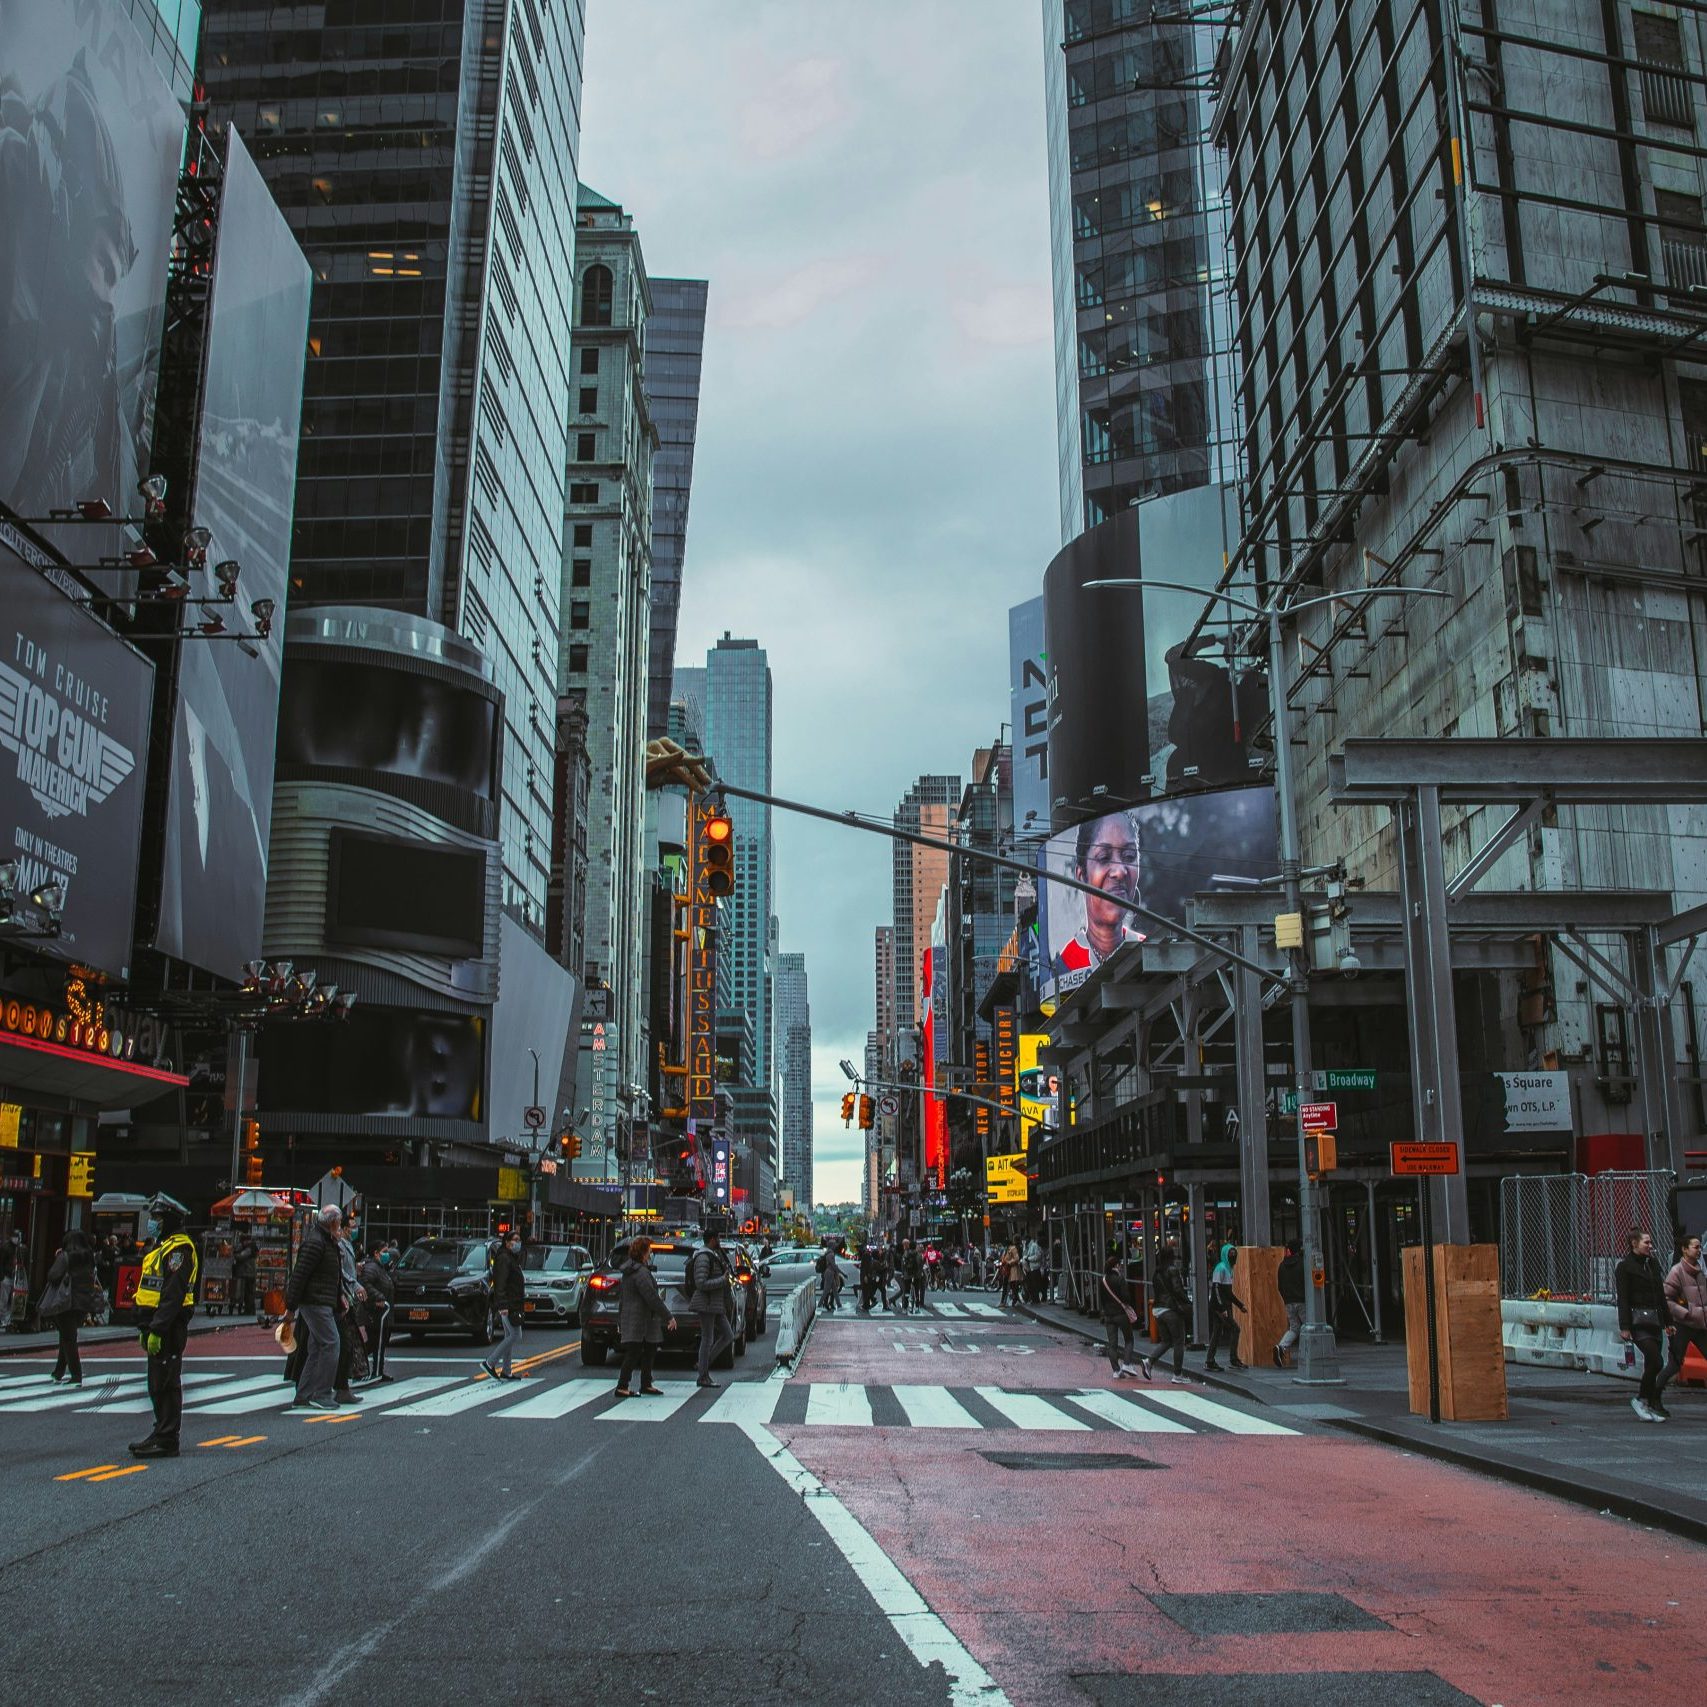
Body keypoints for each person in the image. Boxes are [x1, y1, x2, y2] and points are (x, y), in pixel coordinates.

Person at [127, 1194, 199, 1458]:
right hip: (156, 1323)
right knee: (157, 1382)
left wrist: (157, 1328)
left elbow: (173, 1293)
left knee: (167, 1382)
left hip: (168, 1325)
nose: (153, 1223)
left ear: (169, 1220)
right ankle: (160, 1432)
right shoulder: (164, 1246)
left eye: (158, 1218)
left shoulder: (179, 1249)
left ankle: (168, 1438)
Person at [1050, 811, 1147, 995]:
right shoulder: (1064, 964)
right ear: (1081, 876)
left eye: (1128, 856)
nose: (1119, 872)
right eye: (1103, 857)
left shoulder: (1148, 950)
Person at [285, 1205, 343, 1412]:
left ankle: (304, 1394)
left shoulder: (324, 1241)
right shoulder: (316, 1243)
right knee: (331, 1344)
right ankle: (321, 1393)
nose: (341, 1226)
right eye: (339, 1222)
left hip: (319, 1301)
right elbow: (299, 1275)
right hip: (315, 1302)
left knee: (318, 1347)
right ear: (332, 1222)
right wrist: (290, 1307)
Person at [1616, 1226, 1671, 1422]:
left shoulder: (1653, 1265)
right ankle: (1641, 1399)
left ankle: (1647, 1404)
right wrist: (1625, 1326)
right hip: (1638, 1321)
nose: (1650, 1246)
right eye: (1646, 1242)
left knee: (1652, 1364)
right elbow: (1622, 1298)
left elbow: (1661, 1296)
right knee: (1656, 1360)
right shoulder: (1624, 1268)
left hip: (1655, 1320)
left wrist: (1668, 1321)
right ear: (1634, 1244)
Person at [613, 1236, 675, 1398]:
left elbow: (623, 1298)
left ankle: (646, 1383)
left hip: (637, 1317)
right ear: (643, 1252)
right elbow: (652, 1297)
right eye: (649, 1250)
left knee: (649, 1349)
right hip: (640, 1319)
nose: (651, 1253)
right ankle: (622, 1385)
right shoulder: (641, 1273)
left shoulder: (631, 1271)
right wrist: (668, 1317)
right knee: (634, 1352)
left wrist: (620, 1318)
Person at [1658, 1232, 1707, 1411]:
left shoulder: (1700, 1272)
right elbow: (1666, 1299)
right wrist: (1685, 1313)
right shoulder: (1676, 1271)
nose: (1699, 1250)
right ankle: (1653, 1396)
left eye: (1700, 1247)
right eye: (1695, 1247)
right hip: (1683, 1325)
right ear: (1684, 1250)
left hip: (1700, 1325)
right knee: (1675, 1364)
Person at [44, 1228, 97, 1387]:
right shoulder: (89, 1258)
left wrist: (58, 1258)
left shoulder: (65, 1257)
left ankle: (76, 1375)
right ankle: (58, 1372)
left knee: (68, 1338)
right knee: (67, 1336)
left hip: (66, 1301)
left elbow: (53, 1276)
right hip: (83, 1302)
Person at [688, 1228, 735, 1389]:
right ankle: (703, 1374)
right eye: (719, 1237)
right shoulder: (703, 1257)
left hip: (715, 1303)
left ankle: (703, 1364)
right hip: (707, 1303)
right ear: (713, 1239)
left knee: (728, 1335)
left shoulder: (712, 1255)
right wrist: (722, 1280)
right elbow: (700, 1283)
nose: (720, 1241)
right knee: (707, 1339)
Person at [1143, 1245, 1190, 1382]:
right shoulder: (1172, 1270)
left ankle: (1149, 1361)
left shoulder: (1156, 1272)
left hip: (1157, 1311)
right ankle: (1177, 1374)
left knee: (1167, 1341)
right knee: (1178, 1342)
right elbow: (1177, 1290)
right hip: (1171, 1311)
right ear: (1171, 1256)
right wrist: (1187, 1302)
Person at [484, 1229, 526, 1380]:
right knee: (515, 1334)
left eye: (519, 1240)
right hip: (508, 1304)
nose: (518, 1243)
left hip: (511, 1302)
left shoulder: (510, 1257)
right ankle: (490, 1362)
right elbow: (500, 1283)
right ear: (507, 1242)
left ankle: (506, 1371)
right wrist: (502, 1305)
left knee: (510, 1335)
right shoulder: (504, 1259)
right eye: (515, 1239)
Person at [1099, 1250, 1142, 1379]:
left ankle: (1116, 1370)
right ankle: (1127, 1363)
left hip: (1108, 1315)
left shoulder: (1103, 1280)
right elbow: (1126, 1298)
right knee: (1129, 1339)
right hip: (1121, 1314)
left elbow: (1101, 1299)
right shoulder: (1120, 1279)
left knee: (1112, 1344)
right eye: (1119, 1265)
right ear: (1116, 1265)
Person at [1204, 1241, 1246, 1372]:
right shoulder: (1221, 1268)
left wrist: (1239, 1305)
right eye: (1231, 1253)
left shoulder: (1228, 1269)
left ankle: (1210, 1361)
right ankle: (1233, 1359)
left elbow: (1228, 1292)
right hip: (1220, 1307)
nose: (1233, 1256)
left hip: (1223, 1306)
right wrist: (1221, 1309)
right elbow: (1216, 1289)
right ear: (1225, 1254)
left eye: (1234, 1253)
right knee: (1235, 1329)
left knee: (1217, 1333)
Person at [358, 1241, 396, 1381]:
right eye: (384, 1251)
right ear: (376, 1252)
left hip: (382, 1313)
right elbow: (365, 1283)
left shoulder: (380, 1268)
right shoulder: (372, 1267)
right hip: (375, 1312)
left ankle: (378, 1370)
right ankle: (363, 1366)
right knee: (375, 1342)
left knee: (380, 1342)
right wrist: (379, 1297)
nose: (387, 1254)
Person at [1273, 1239, 1306, 1368]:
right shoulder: (1303, 1264)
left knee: (1294, 1328)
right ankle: (1305, 1353)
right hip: (1302, 1301)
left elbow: (1279, 1286)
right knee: (1307, 1326)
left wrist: (1286, 1298)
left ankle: (1281, 1346)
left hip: (1288, 1302)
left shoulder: (1282, 1265)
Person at [231, 1229, 259, 1318]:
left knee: (249, 1293)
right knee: (248, 1292)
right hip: (249, 1272)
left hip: (248, 1273)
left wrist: (234, 1254)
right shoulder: (250, 1247)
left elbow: (241, 1256)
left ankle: (249, 1310)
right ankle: (249, 1309)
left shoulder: (250, 1248)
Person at [999, 1242, 1023, 1308]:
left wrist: (1009, 1262)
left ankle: (1009, 1300)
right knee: (1008, 1285)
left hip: (1012, 1270)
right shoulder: (1007, 1250)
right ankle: (1011, 1300)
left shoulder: (1013, 1249)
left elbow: (1016, 1258)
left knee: (1011, 1286)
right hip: (1007, 1270)